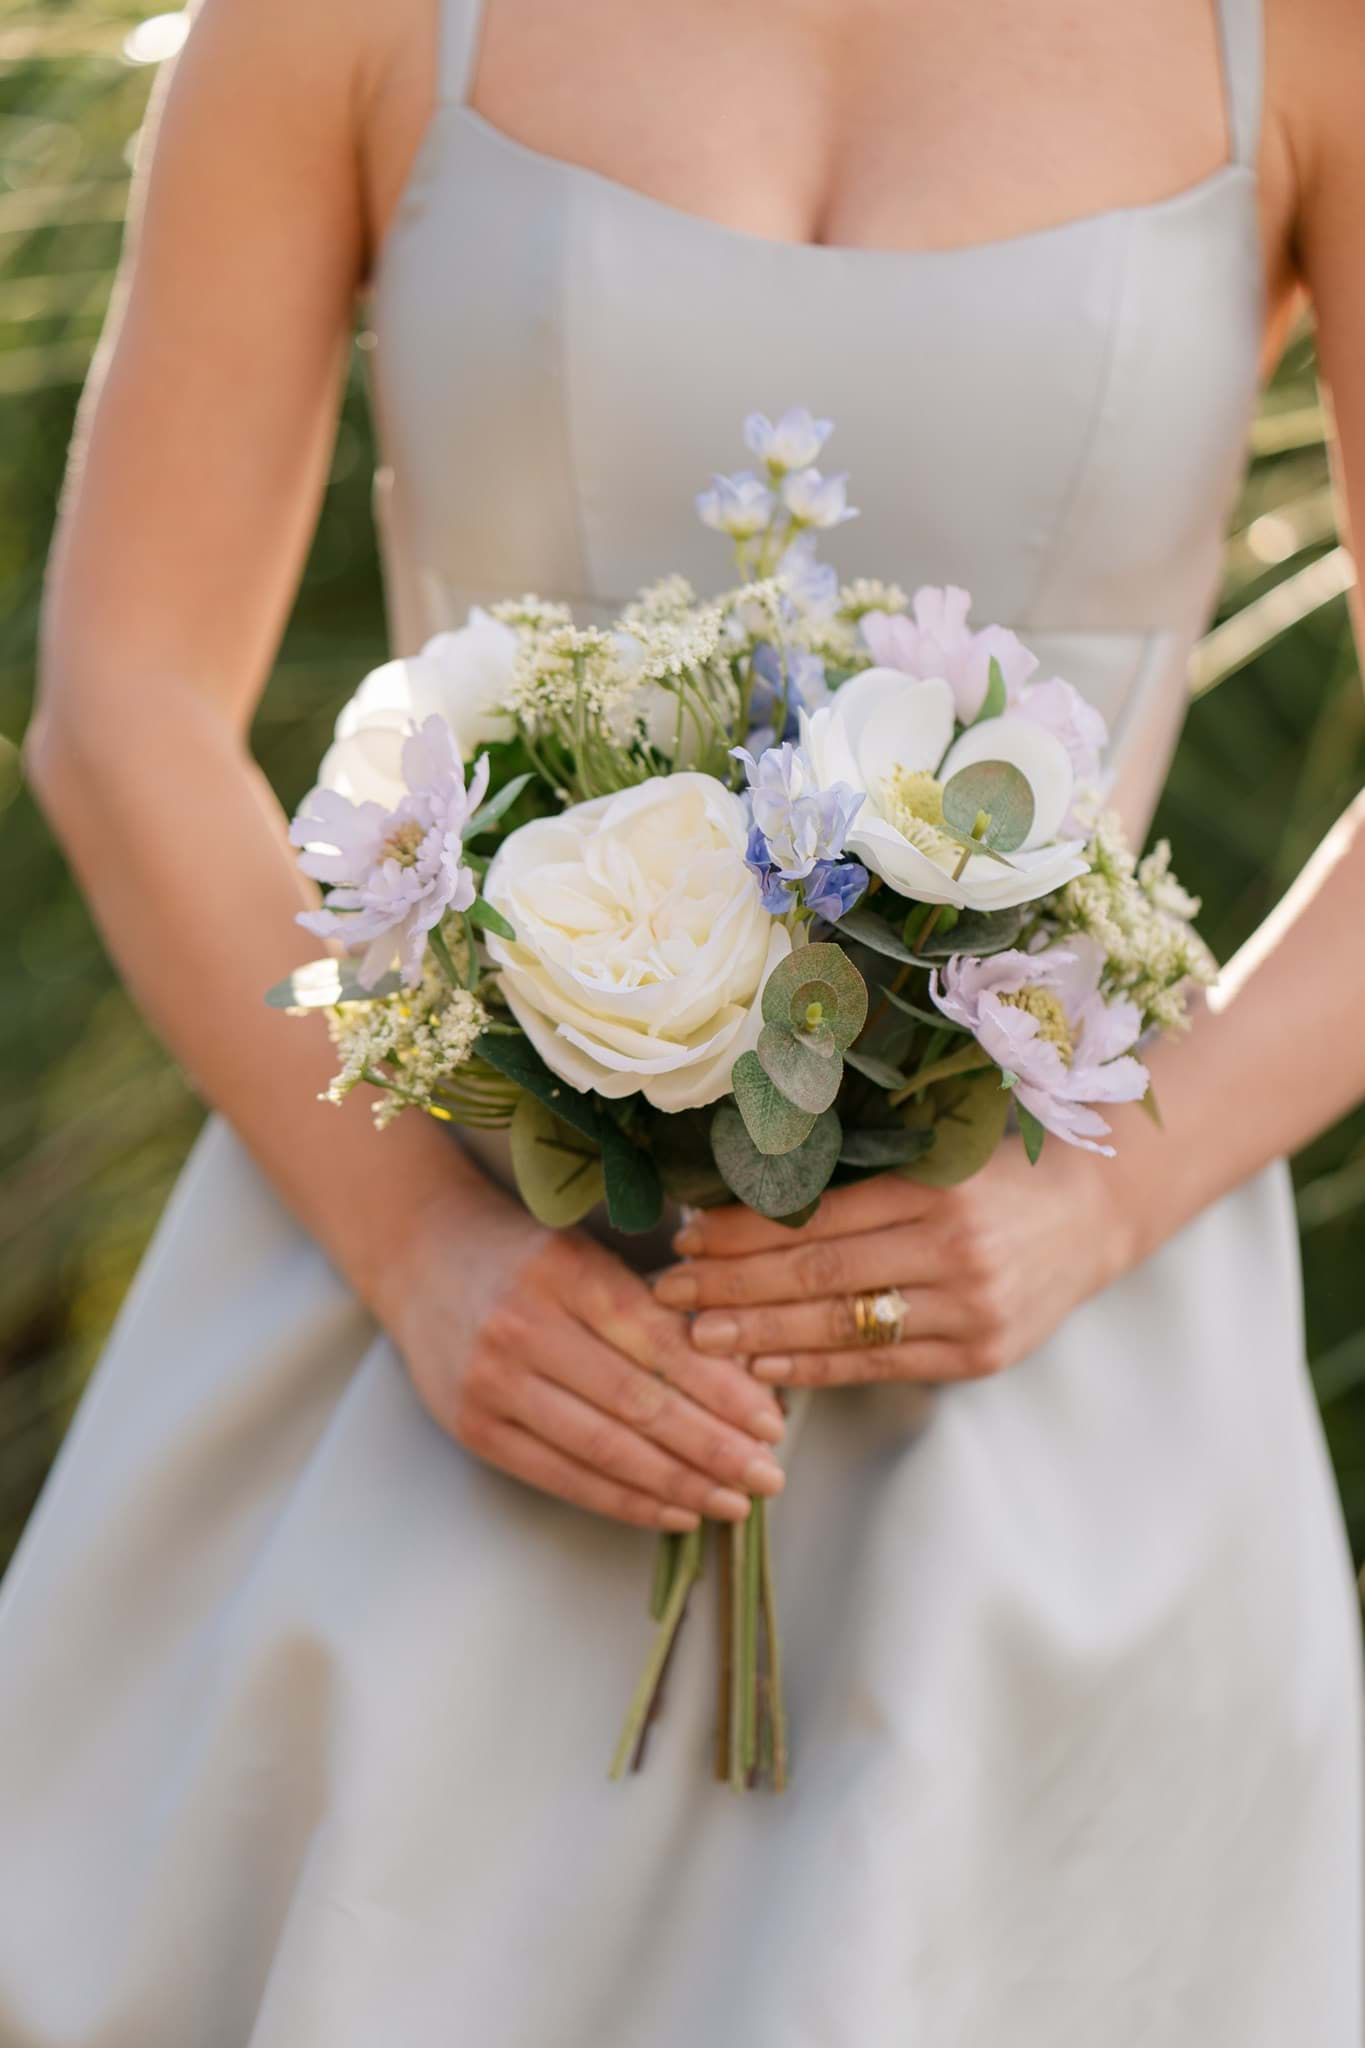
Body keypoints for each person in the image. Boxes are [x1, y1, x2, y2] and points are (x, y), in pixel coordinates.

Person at [2, 0, 1362, 2039]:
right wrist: (429, 1258)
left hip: (1051, 1369)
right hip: (437, 1323)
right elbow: (121, 705)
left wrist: (1091, 1206)